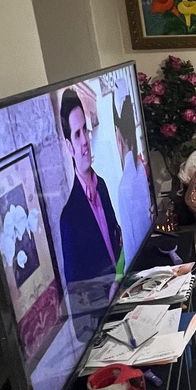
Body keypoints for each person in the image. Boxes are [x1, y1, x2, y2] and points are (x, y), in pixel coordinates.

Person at [58, 88, 123, 289]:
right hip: (102, 305)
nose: (85, 140)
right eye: (77, 134)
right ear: (69, 146)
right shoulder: (69, 217)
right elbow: (76, 290)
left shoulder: (101, 185)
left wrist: (121, 276)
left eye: (85, 130)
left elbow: (117, 241)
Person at [114, 92, 153, 268]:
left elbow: (130, 245)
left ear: (119, 137)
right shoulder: (139, 169)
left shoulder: (125, 186)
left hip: (138, 262)